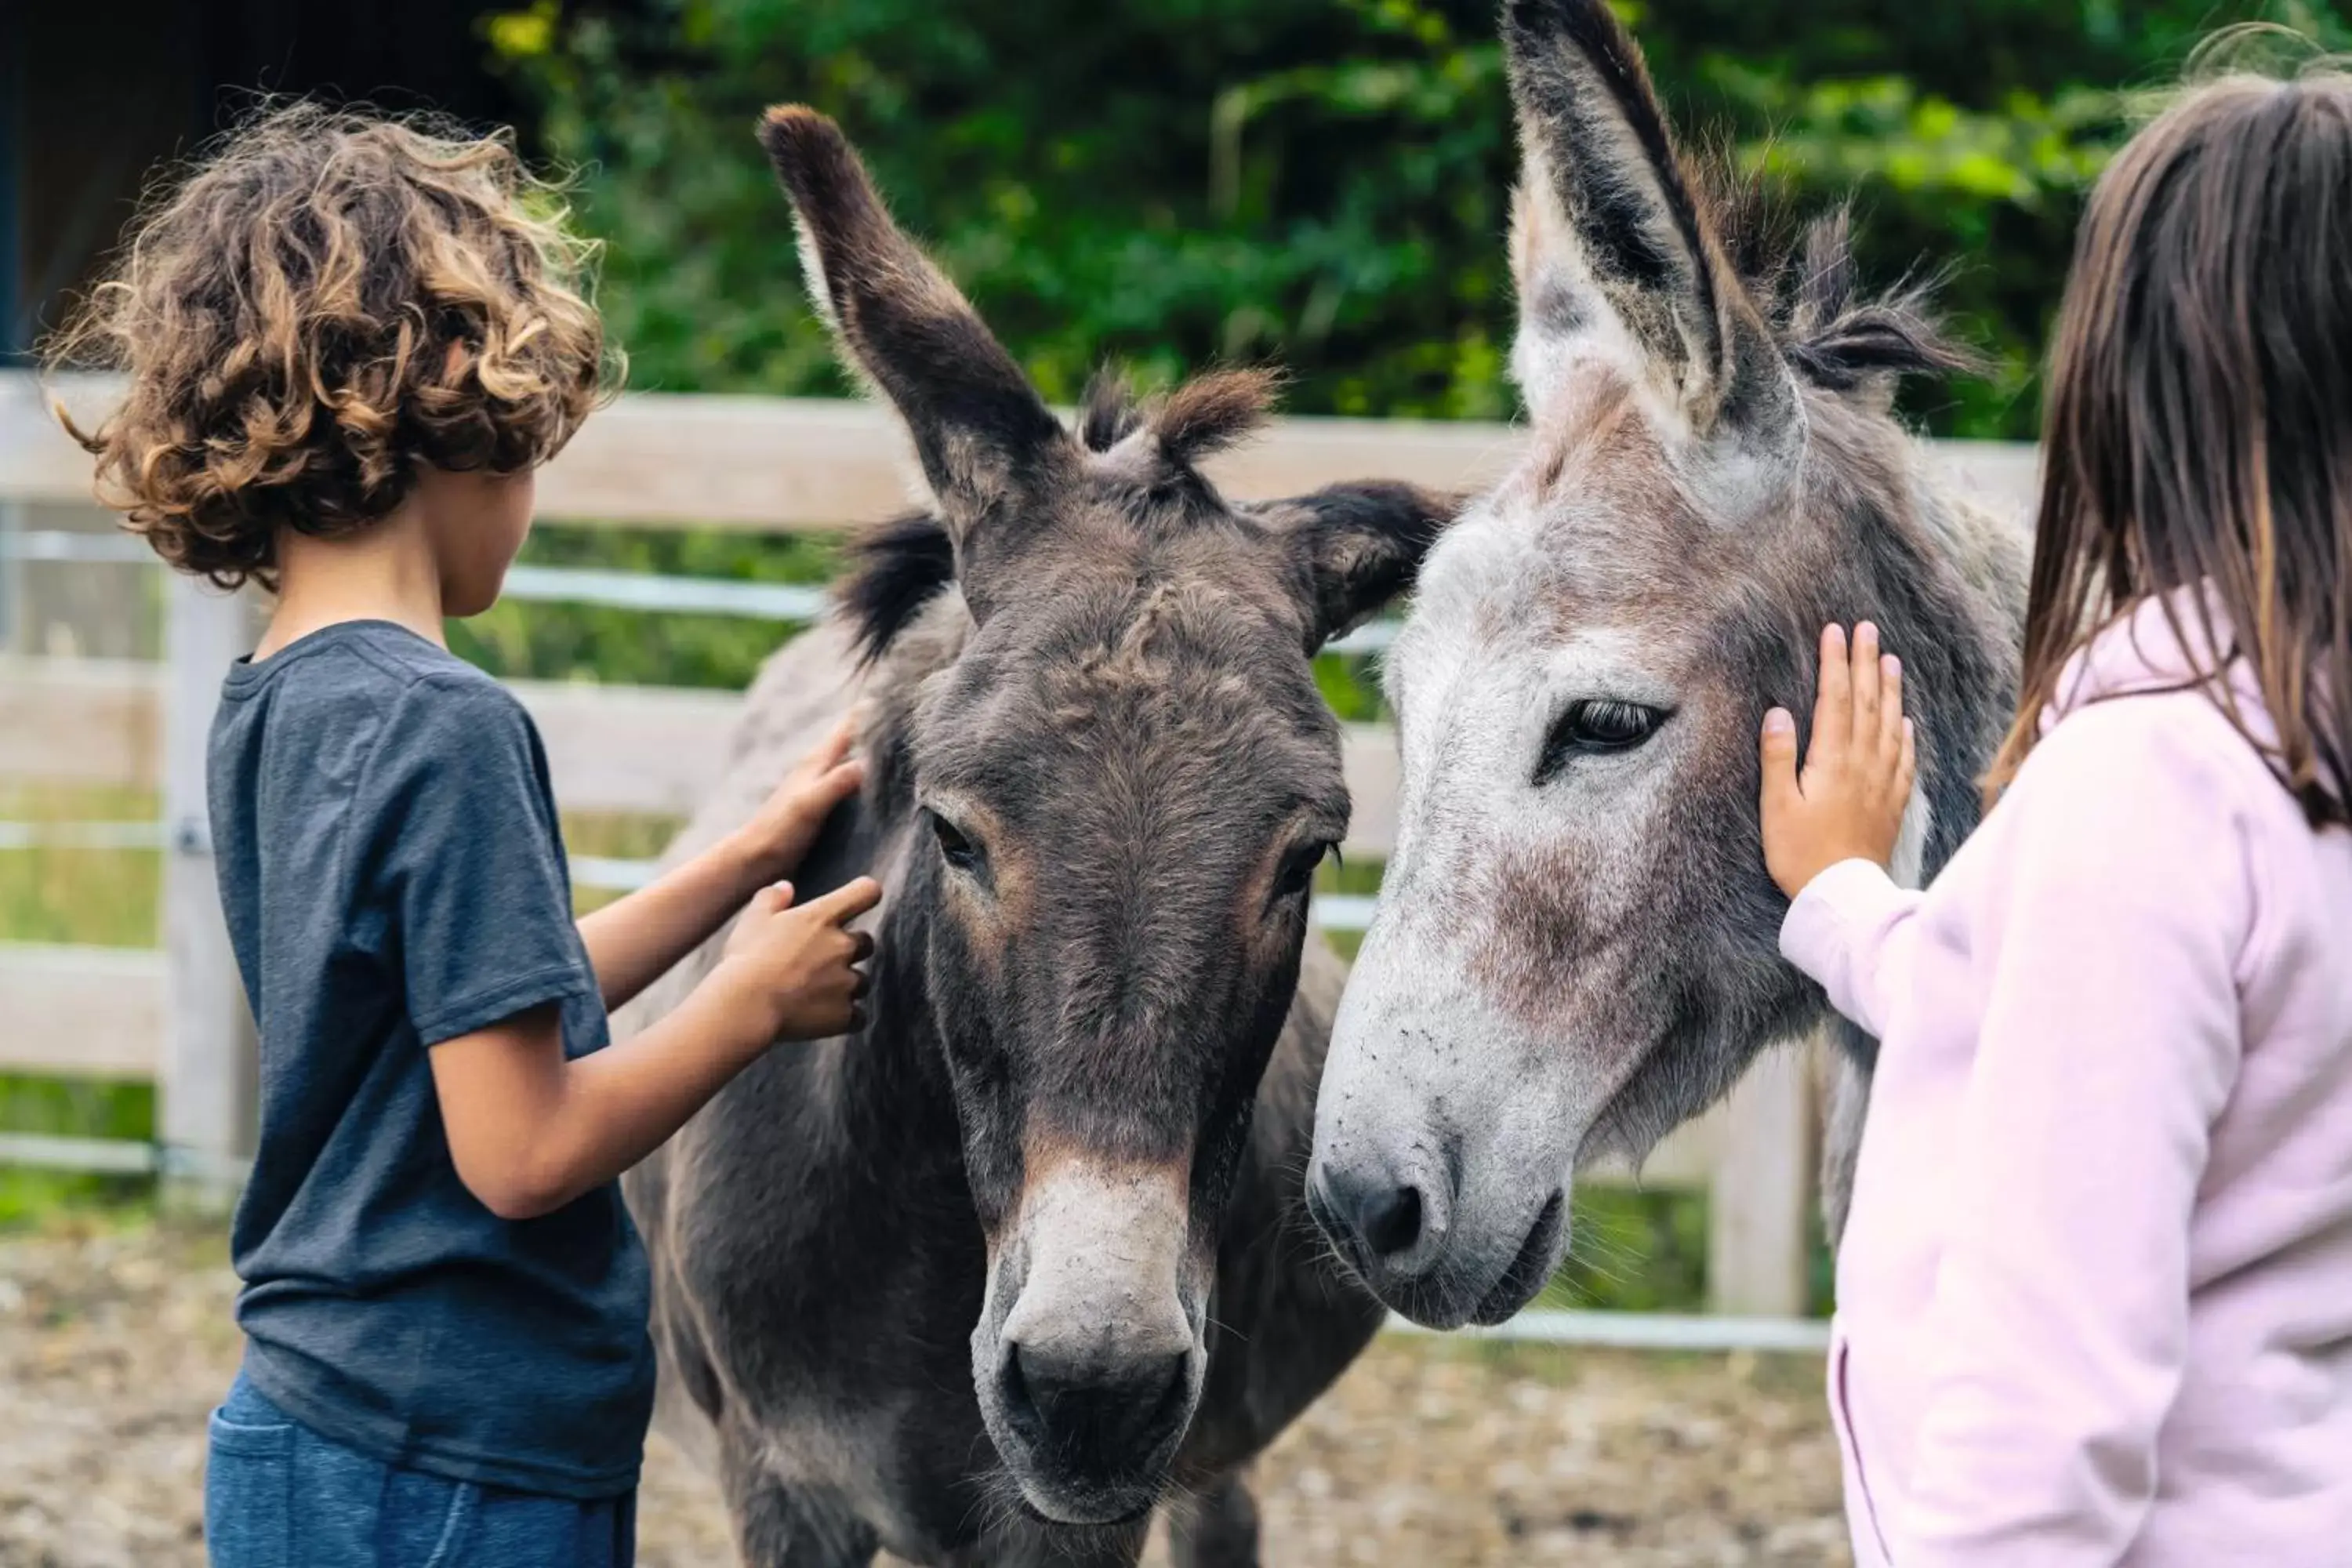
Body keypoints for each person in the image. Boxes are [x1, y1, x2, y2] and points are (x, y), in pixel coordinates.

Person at [46, 104, 882, 1566]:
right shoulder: (446, 727)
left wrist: (742, 862)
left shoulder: (277, 697)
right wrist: (746, 1011)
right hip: (456, 1469)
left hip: (318, 1426)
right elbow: (522, 1147)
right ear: (454, 394)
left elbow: (489, 999)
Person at [1755, 60, 2352, 1568]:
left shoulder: (2151, 792)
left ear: (2134, 384)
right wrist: (1842, 901)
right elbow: (2046, 1005)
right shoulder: (2280, 765)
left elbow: (2051, 1418)